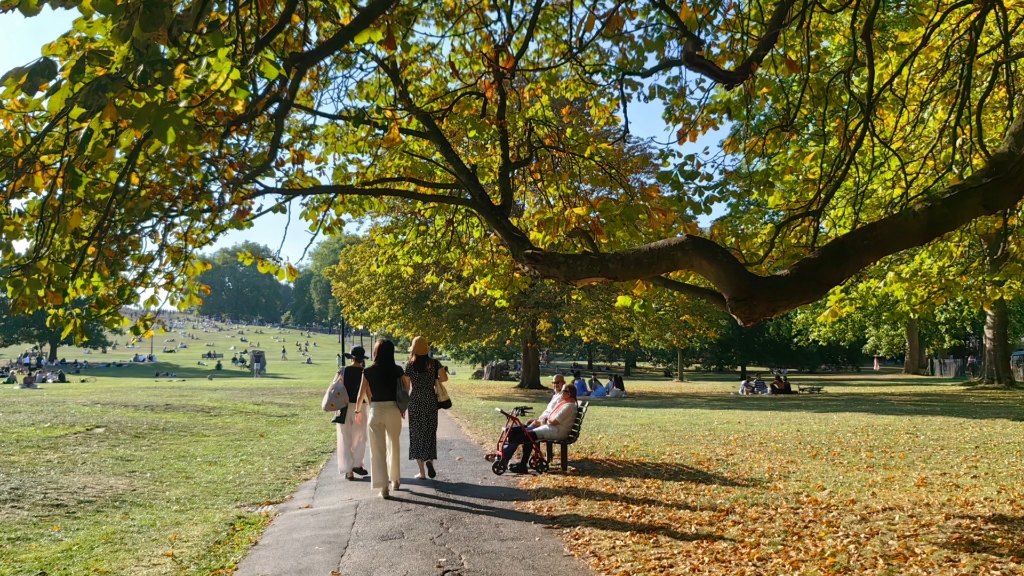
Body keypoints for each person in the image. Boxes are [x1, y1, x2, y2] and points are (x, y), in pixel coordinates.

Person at [354, 340, 410, 499]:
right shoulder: (397, 369)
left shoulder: (369, 371)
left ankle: (383, 487)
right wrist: (402, 407)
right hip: (393, 409)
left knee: (377, 450)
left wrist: (358, 411)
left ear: (376, 352)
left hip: (376, 410)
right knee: (394, 445)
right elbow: (405, 388)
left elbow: (360, 394)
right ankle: (396, 480)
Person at [499, 384, 578, 474]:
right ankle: (521, 463)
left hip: (556, 431)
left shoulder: (569, 406)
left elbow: (555, 421)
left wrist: (545, 421)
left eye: (564, 391)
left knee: (526, 436)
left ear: (569, 394)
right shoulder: (566, 403)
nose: (561, 393)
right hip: (552, 428)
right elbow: (552, 420)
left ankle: (520, 463)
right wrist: (545, 421)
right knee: (527, 435)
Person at [405, 336, 448, 480]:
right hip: (430, 400)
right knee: (430, 432)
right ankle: (430, 461)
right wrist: (435, 378)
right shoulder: (434, 363)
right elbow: (445, 378)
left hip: (416, 400)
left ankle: (422, 472)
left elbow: (406, 387)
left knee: (416, 434)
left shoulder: (410, 365)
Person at [337, 346, 369, 480]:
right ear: (362, 359)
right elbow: (368, 391)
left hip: (344, 406)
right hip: (360, 406)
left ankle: (348, 470)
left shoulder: (343, 371)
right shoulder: (365, 372)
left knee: (345, 437)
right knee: (361, 436)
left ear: (351, 358)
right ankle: (357, 464)